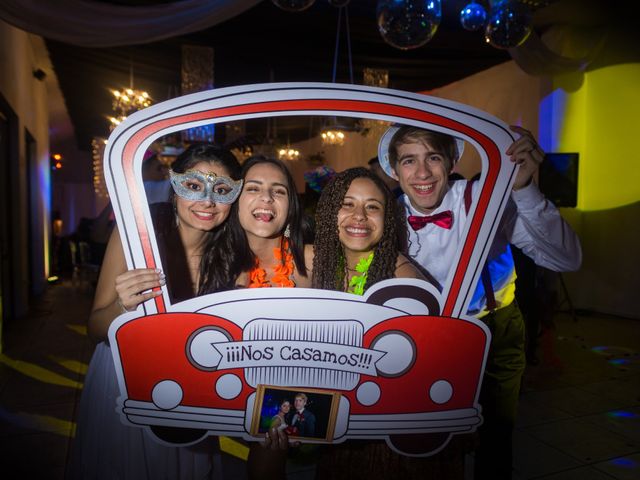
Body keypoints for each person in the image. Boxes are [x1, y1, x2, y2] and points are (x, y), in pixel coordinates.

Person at [378, 125, 582, 480]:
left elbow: (566, 259)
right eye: (409, 160)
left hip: (494, 329)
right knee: (427, 438)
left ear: (453, 160)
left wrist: (524, 188)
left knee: (496, 438)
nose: (423, 173)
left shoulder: (484, 199)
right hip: (421, 336)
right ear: (395, 170)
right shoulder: (383, 215)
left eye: (434, 158)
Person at [68, 143, 243, 480]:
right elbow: (94, 325)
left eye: (221, 190)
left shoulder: (234, 254)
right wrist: (124, 307)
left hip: (191, 387)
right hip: (125, 379)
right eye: (193, 186)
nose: (207, 201)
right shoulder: (136, 236)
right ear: (174, 183)